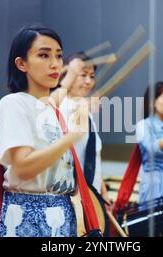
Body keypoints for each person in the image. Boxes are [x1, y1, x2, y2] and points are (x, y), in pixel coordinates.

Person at [0, 25, 89, 237]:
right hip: (27, 215)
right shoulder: (13, 104)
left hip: (63, 214)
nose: (55, 63)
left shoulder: (50, 110)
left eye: (59, 56)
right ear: (21, 63)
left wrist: (72, 75)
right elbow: (24, 168)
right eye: (44, 55)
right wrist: (72, 136)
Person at [57, 52, 111, 205]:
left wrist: (103, 193)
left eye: (92, 76)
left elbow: (94, 156)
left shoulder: (85, 108)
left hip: (92, 193)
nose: (88, 81)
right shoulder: (60, 106)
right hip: (71, 194)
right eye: (83, 75)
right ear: (67, 75)